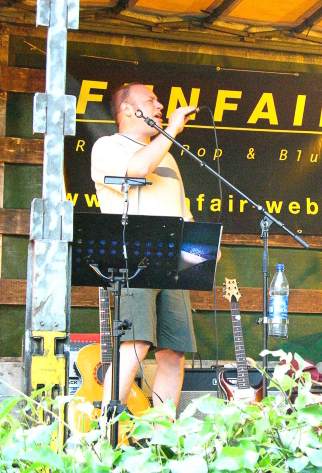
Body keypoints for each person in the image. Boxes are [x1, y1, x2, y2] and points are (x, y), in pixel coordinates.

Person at [91, 83, 200, 414]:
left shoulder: (166, 155)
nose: (160, 105)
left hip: (173, 263)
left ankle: (163, 432)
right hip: (134, 258)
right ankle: (105, 430)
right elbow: (137, 169)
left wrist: (202, 247)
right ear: (127, 109)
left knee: (173, 352)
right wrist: (172, 130)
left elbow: (183, 214)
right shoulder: (107, 146)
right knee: (135, 343)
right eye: (151, 100)